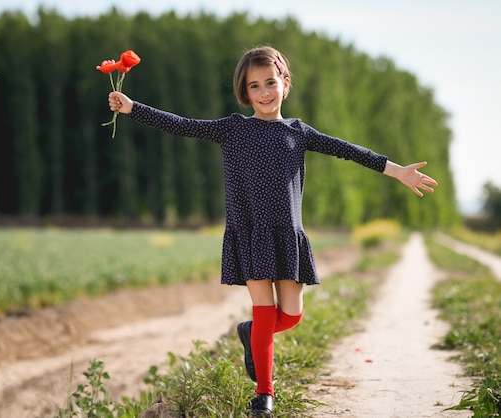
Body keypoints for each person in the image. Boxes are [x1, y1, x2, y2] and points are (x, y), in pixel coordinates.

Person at [106, 45, 437, 418]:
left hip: (287, 233)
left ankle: (250, 333)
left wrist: (397, 171)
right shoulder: (233, 129)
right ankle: (265, 394)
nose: (264, 92)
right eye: (254, 86)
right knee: (265, 312)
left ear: (284, 84)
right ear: (244, 93)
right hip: (250, 233)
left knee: (291, 316)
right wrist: (134, 107)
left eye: (270, 83)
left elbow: (349, 151)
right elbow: (184, 125)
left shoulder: (299, 133)